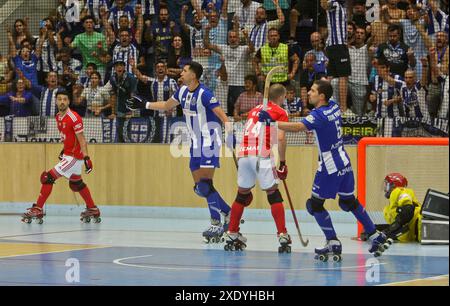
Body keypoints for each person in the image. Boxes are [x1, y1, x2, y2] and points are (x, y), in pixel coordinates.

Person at [258, 80, 392, 260]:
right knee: (349, 202)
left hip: (329, 166)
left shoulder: (319, 115)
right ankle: (375, 235)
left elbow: (298, 127)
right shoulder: (334, 106)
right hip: (344, 162)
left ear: (321, 96)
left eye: (313, 91)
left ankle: (332, 242)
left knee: (314, 205)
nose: (309, 93)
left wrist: (272, 123)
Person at [126, 61, 233, 243]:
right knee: (200, 188)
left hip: (209, 141)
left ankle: (216, 222)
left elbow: (223, 117)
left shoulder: (205, 94)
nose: (181, 73)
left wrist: (230, 133)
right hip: (194, 142)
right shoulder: (182, 91)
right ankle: (229, 213)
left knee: (206, 184)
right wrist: (145, 104)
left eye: (184, 71)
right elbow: (167, 105)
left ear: (194, 75)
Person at [224, 84, 291, 253]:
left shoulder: (255, 110)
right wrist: (282, 163)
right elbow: (281, 139)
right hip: (262, 154)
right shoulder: (281, 112)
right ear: (281, 97)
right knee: (274, 194)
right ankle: (282, 234)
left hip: (244, 154)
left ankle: (232, 232)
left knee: (241, 195)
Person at [21, 90, 99, 224]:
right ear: (56, 101)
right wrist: (64, 150)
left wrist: (86, 158)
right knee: (76, 184)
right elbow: (68, 136)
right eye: (60, 99)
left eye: (65, 99)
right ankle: (93, 209)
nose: (62, 102)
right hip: (68, 156)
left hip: (74, 157)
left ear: (69, 102)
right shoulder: (58, 116)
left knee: (47, 177)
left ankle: (38, 208)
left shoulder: (74, 117)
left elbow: (81, 139)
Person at [361, 173, 422, 243]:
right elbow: (400, 223)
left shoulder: (400, 191)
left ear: (393, 186)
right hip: (412, 232)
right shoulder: (397, 198)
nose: (385, 189)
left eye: (387, 185)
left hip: (416, 231)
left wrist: (389, 231)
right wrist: (373, 230)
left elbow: (408, 210)